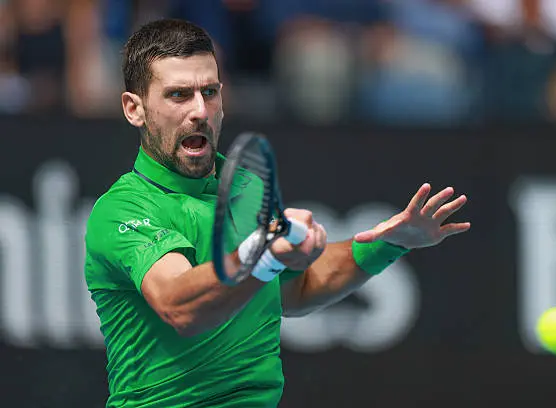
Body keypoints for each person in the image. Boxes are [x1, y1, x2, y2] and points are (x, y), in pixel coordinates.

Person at [84, 18, 471, 408]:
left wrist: (389, 244)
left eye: (210, 92)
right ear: (134, 109)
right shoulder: (121, 209)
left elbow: (295, 291)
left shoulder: (247, 188)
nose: (200, 110)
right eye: (179, 95)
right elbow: (179, 306)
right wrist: (262, 255)